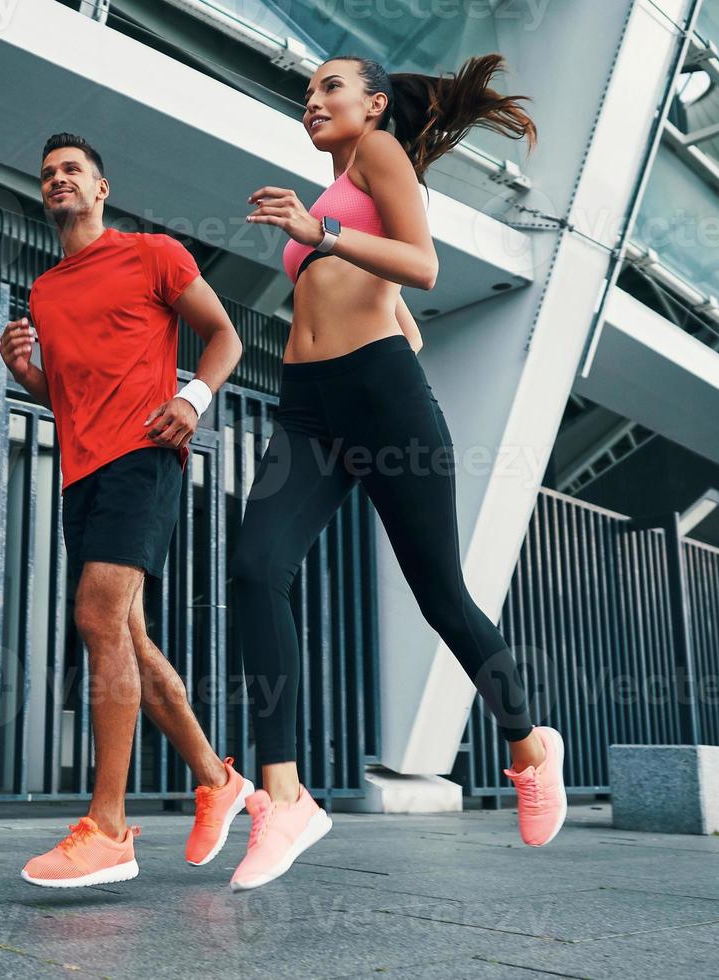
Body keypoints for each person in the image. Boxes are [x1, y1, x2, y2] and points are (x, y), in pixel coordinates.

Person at [228, 54, 564, 892]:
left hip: (378, 401)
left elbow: (422, 264)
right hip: (307, 405)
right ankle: (284, 796)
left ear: (374, 105)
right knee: (255, 567)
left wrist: (319, 234)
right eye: (306, 92)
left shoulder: (379, 156)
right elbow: (393, 304)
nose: (312, 100)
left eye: (329, 87)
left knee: (440, 596)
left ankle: (528, 746)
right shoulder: (337, 190)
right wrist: (329, 248)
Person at [1, 133, 249, 888]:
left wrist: (191, 397)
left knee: (95, 619)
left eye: (71, 169)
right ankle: (216, 779)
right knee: (128, 638)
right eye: (46, 173)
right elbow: (69, 399)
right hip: (84, 473)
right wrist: (26, 373)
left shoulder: (153, 255)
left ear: (101, 188)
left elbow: (225, 336)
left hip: (144, 453)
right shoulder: (43, 292)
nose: (57, 179)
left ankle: (108, 828)